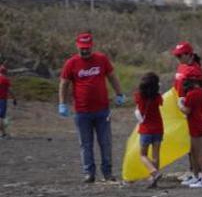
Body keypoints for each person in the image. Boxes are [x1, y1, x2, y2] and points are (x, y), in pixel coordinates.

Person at [58, 32, 126, 183]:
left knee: (105, 142)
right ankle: (89, 173)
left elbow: (112, 76)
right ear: (77, 46)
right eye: (82, 48)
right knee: (85, 144)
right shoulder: (71, 63)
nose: (85, 51)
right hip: (82, 112)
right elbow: (64, 83)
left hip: (102, 110)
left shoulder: (101, 59)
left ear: (92, 46)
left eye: (87, 48)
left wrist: (119, 93)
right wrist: (62, 103)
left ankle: (107, 172)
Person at [171, 41, 202, 184]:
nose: (178, 58)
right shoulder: (181, 67)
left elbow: (196, 91)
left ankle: (201, 175)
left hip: (189, 107)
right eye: (177, 56)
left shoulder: (195, 70)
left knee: (195, 146)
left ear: (189, 55)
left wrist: (186, 104)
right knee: (188, 144)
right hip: (181, 106)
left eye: (180, 55)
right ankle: (193, 173)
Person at [178, 76, 202, 188]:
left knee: (199, 153)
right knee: (193, 151)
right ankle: (196, 176)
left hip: (195, 125)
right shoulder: (200, 92)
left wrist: (180, 105)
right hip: (198, 123)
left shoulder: (192, 94)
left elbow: (187, 110)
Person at [134, 72, 164, 188]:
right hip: (158, 128)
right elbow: (161, 103)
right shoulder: (158, 97)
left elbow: (137, 106)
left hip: (146, 129)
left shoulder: (138, 96)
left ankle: (154, 173)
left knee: (143, 155)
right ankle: (153, 181)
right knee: (156, 155)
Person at [0, 65, 16, 139]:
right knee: (1, 117)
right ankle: (3, 134)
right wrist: (14, 98)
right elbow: (10, 90)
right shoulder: (5, 79)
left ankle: (3, 133)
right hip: (2, 100)